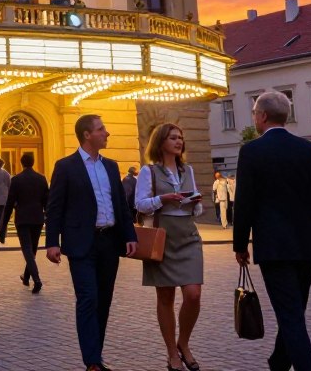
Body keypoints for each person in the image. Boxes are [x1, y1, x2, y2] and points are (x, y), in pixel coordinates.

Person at [234, 91, 311, 371]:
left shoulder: (251, 151)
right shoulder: (310, 150)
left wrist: (240, 244)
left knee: (290, 315)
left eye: (254, 114)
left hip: (274, 247)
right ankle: (278, 362)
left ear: (262, 116)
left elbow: (245, 202)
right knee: (294, 310)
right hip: (308, 244)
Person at [46, 114, 138, 371]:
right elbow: (54, 207)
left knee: (103, 299)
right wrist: (52, 242)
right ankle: (92, 362)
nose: (107, 133)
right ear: (87, 135)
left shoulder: (110, 165)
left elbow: (120, 204)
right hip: (81, 243)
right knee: (87, 297)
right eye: (101, 129)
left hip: (109, 242)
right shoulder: (65, 166)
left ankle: (95, 354)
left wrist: (130, 235)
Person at [136, 123, 206, 371]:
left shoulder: (188, 169)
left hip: (188, 236)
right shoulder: (149, 171)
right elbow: (140, 204)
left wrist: (195, 202)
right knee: (165, 296)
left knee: (193, 294)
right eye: (173, 137)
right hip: (163, 237)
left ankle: (183, 343)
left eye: (181, 137)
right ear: (160, 142)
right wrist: (162, 199)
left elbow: (197, 209)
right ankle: (171, 353)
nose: (178, 141)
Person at [4, 151, 49, 294]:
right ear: (33, 162)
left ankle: (36, 279)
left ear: (22, 163)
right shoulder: (41, 179)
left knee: (28, 250)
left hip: (23, 219)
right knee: (32, 250)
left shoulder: (16, 180)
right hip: (37, 218)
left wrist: (3, 223)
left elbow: (10, 203)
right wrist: (48, 218)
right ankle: (26, 277)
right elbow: (47, 201)